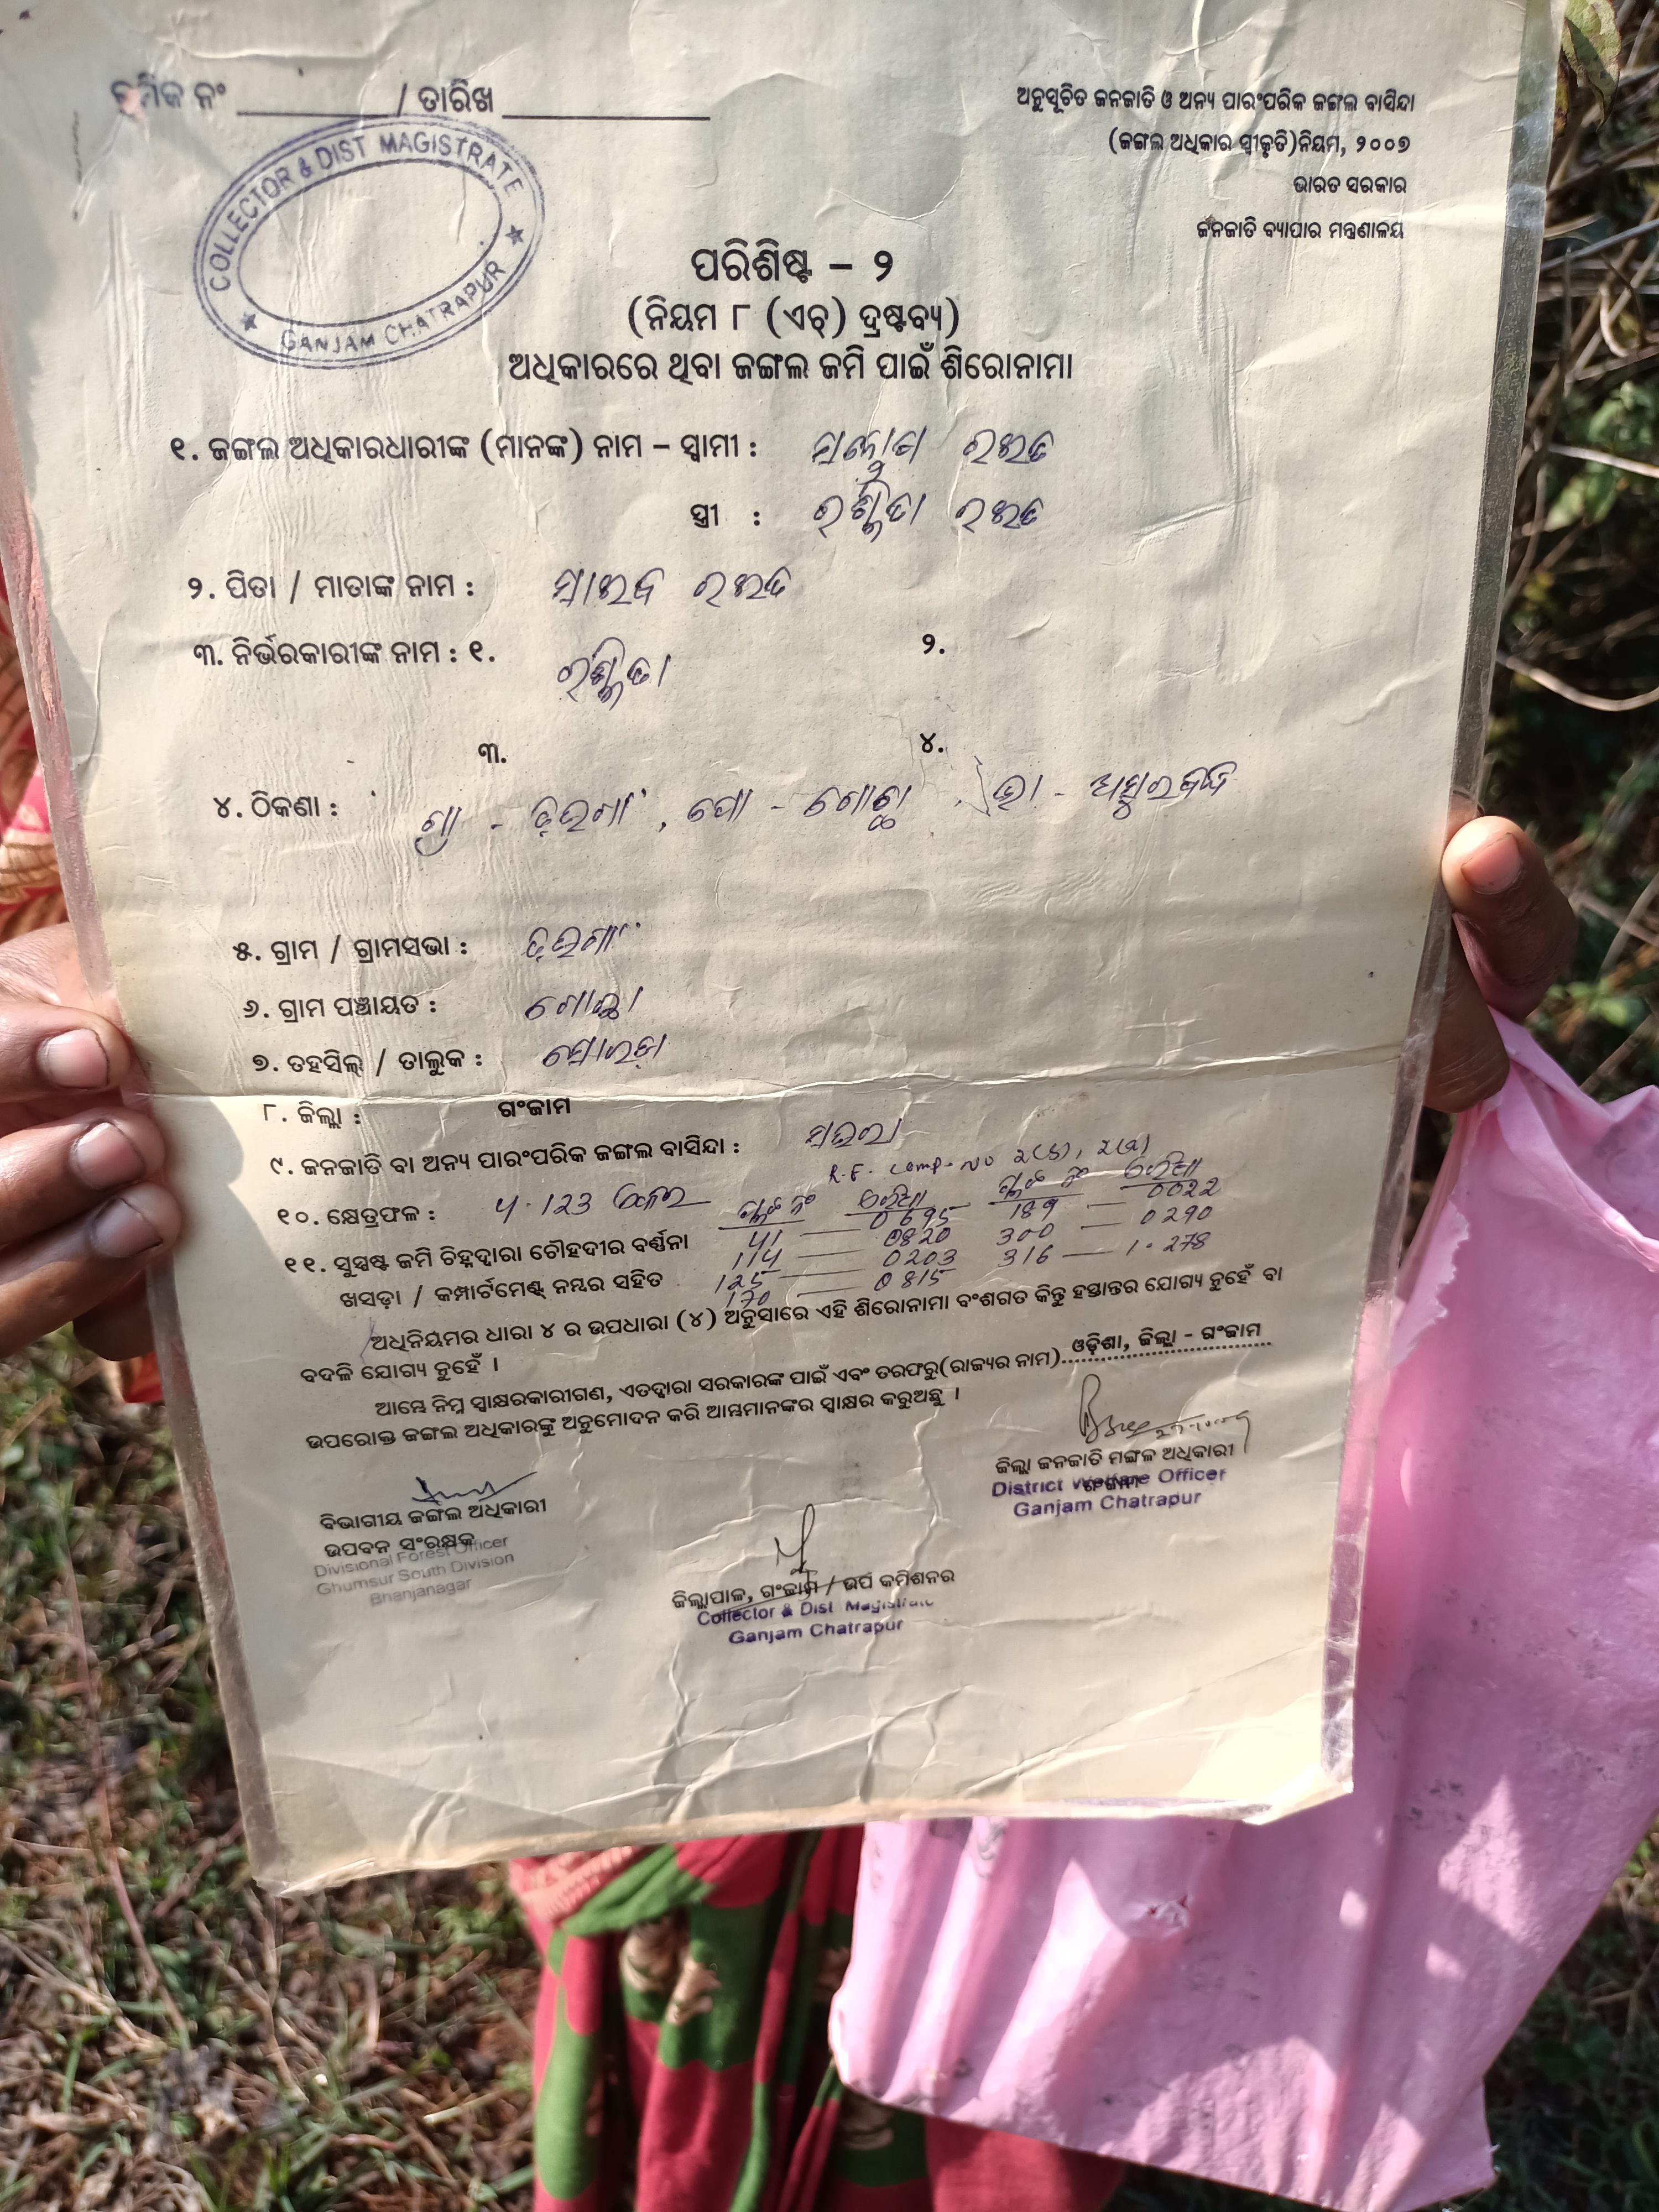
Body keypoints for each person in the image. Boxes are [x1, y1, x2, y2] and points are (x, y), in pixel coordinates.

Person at [0, 586, 1579, 2206]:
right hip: (579, 1517)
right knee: (687, 1955)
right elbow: (70, 885)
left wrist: (1353, 1008)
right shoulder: (190, 550)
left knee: (1033, 1995)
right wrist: (101, 1049)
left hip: (1063, 1523)